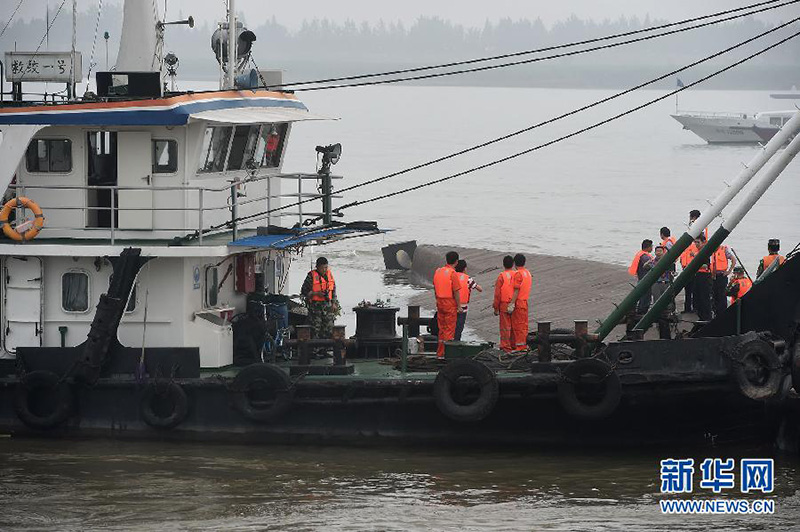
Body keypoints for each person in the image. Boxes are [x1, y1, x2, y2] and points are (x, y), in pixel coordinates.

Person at [300, 257, 339, 341]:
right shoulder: (311, 276)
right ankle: (315, 351)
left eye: (326, 267)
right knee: (315, 330)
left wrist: (334, 303)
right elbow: (304, 292)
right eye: (322, 268)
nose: (325, 270)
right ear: (317, 267)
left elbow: (333, 290)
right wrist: (316, 293)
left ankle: (327, 349)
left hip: (327, 307)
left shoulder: (329, 275)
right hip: (315, 308)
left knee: (328, 329)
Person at [433, 251, 462, 359]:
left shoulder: (438, 271)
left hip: (439, 302)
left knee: (442, 329)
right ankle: (447, 354)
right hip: (449, 302)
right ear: (456, 261)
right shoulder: (452, 273)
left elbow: (435, 288)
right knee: (449, 329)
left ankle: (440, 353)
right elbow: (456, 291)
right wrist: (459, 306)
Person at [508, 254, 532, 352]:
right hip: (525, 302)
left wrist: (511, 303)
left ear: (514, 263)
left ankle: (520, 347)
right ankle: (522, 345)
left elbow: (516, 290)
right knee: (524, 325)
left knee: (518, 326)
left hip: (519, 302)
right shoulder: (527, 273)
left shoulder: (518, 274)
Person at [454, 259, 482, 341]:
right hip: (463, 308)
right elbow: (480, 289)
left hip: (452, 306)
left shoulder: (453, 276)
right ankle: (456, 342)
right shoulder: (468, 279)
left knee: (451, 327)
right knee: (459, 328)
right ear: (464, 268)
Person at [651, 245, 675, 339]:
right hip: (657, 282)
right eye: (657, 251)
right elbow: (645, 266)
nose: (658, 253)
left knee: (667, 301)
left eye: (660, 251)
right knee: (656, 300)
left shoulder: (668, 261)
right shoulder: (653, 261)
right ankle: (657, 317)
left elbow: (672, 269)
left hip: (666, 282)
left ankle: (668, 315)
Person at [493, 255, 515, 353]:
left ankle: (506, 347)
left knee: (505, 327)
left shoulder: (501, 276)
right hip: (515, 303)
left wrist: (495, 308)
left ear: (503, 264)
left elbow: (497, 294)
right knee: (515, 326)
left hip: (504, 304)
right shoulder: (517, 274)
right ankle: (515, 345)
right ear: (513, 264)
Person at [690, 234, 713, 322]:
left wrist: (696, 260)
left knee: (704, 297)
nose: (696, 244)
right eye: (695, 242)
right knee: (697, 296)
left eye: (698, 242)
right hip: (698, 275)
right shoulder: (698, 252)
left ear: (703, 242)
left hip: (704, 276)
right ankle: (701, 316)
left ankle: (706, 317)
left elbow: (706, 265)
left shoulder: (705, 252)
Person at [628, 239, 654, 314]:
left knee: (642, 296)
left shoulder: (640, 254)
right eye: (651, 246)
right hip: (645, 279)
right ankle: (642, 313)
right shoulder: (645, 257)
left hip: (641, 278)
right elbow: (651, 266)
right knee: (645, 297)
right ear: (648, 247)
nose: (652, 248)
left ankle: (640, 311)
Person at [711, 243, 736, 317]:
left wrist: (729, 271)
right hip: (713, 276)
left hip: (722, 276)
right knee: (714, 295)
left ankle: (722, 314)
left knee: (722, 295)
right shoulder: (710, 250)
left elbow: (733, 260)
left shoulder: (724, 250)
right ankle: (715, 313)